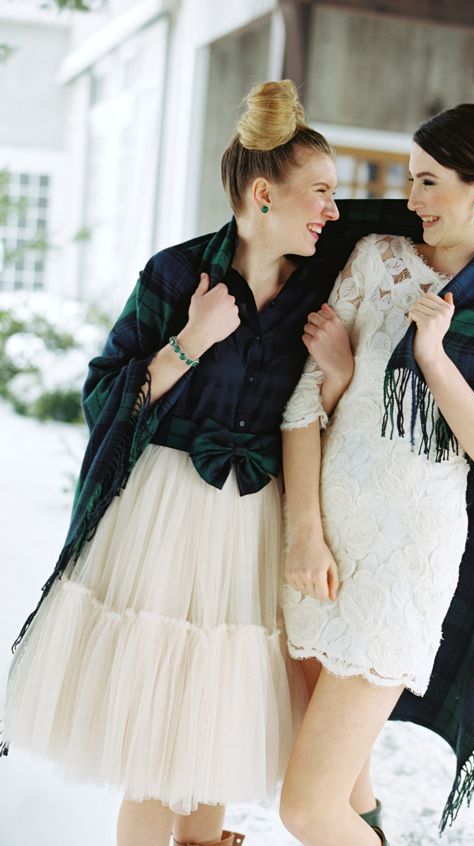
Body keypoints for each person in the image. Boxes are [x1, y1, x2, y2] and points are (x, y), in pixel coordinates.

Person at [0, 80, 355, 846]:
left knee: (213, 745)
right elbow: (105, 396)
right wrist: (191, 340)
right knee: (157, 754)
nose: (333, 211)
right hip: (165, 517)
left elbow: (315, 416)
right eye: (321, 192)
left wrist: (336, 374)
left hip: (252, 525)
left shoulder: (321, 290)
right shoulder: (178, 272)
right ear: (263, 194)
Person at [277, 104, 474, 846]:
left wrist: (434, 356)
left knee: (305, 809)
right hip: (322, 545)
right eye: (410, 180)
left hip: (403, 564)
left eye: (427, 182)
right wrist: (305, 533)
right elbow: (302, 405)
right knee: (343, 787)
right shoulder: (376, 258)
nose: (410, 200)